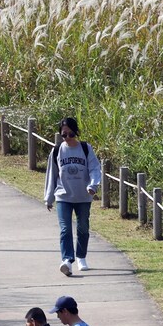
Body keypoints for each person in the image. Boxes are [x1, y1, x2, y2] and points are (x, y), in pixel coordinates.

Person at [44, 117, 102, 276]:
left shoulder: (85, 148)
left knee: (83, 227)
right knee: (65, 229)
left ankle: (81, 256)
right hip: (63, 196)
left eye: (71, 134)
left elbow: (95, 168)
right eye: (64, 135)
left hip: (83, 196)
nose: (68, 138)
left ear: (76, 132)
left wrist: (93, 185)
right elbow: (51, 174)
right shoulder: (57, 151)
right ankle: (67, 261)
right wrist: (49, 198)